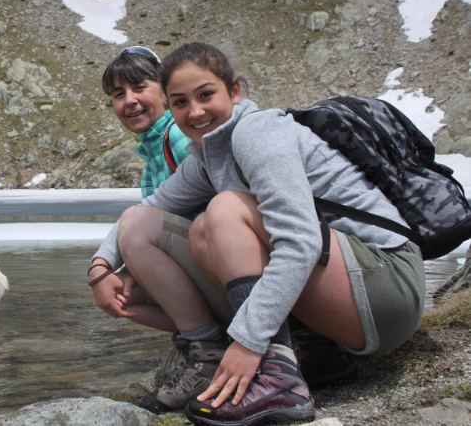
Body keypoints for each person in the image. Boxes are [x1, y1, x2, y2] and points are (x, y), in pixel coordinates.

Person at [99, 42, 425, 426]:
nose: (196, 111)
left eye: (206, 95)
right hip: (346, 293)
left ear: (235, 91)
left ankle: (275, 377)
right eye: (181, 102)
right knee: (156, 226)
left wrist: (249, 342)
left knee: (223, 213)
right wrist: (101, 265)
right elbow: (148, 211)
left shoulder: (257, 132)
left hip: (387, 287)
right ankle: (314, 355)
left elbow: (300, 240)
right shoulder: (208, 154)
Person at [89, 46, 235, 414]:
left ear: (165, 90)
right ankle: (206, 341)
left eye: (139, 87)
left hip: (228, 265)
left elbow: (154, 224)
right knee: (119, 296)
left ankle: (209, 351)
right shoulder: (154, 153)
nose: (130, 101)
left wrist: (123, 269)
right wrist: (108, 269)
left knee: (128, 266)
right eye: (118, 94)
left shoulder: (180, 140)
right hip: (212, 266)